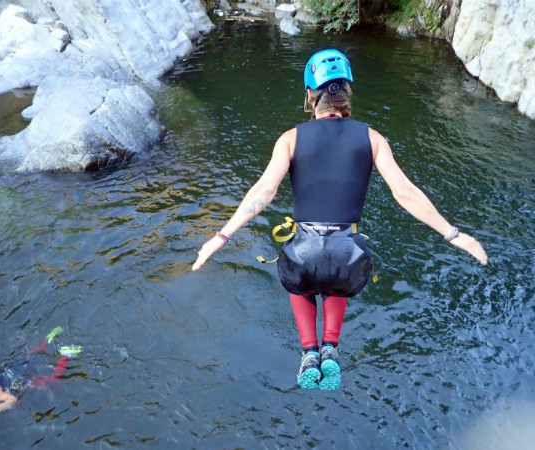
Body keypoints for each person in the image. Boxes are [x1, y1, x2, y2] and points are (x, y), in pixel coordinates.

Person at [192, 49, 488, 390]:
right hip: (348, 258)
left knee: (300, 267)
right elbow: (405, 192)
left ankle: (309, 353)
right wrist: (454, 235)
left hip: (303, 256)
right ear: (347, 93)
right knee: (343, 259)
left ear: (310, 96)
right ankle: (331, 347)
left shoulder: (290, 139)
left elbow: (264, 192)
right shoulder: (372, 138)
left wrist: (221, 236)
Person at [0, 326, 83, 419]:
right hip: (13, 367)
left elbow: (13, 400)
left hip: (24, 376)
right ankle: (48, 339)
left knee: (55, 380)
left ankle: (65, 355)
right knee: (32, 354)